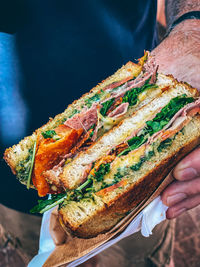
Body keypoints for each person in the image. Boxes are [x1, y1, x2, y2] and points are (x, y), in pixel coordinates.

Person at [0, 0, 199, 266]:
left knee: (137, 258)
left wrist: (193, 27)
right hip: (10, 188)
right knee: (32, 247)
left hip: (144, 195)